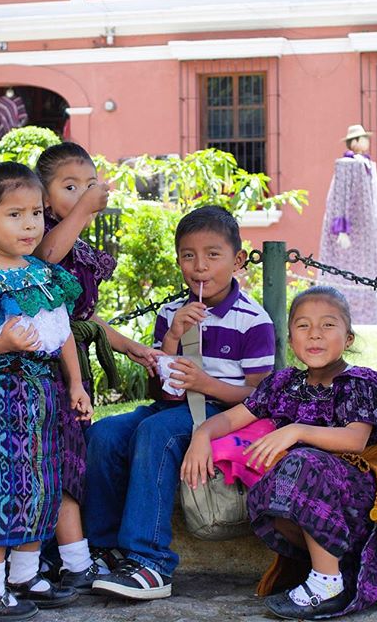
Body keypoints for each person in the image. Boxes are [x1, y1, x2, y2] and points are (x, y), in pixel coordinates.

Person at [181, 286, 377, 620]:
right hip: (312, 490)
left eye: (328, 325)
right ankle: (332, 569)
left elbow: (355, 440)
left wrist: (296, 430)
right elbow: (232, 417)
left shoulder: (359, 383)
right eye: (303, 326)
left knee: (301, 461)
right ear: (290, 340)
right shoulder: (283, 384)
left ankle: (327, 584)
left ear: (348, 338)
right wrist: (202, 434)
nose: (315, 334)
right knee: (272, 487)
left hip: (359, 501)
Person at [85, 205, 276, 600]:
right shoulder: (171, 313)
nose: (200, 266)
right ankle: (103, 548)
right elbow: (161, 393)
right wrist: (171, 339)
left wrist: (207, 383)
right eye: (188, 255)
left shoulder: (252, 320)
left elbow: (262, 397)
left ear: (238, 260)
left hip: (225, 414)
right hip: (174, 408)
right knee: (104, 433)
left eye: (213, 254)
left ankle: (151, 561)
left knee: (156, 433)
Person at [0, 162, 90, 621]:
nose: (29, 225)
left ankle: (24, 576)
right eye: (14, 215)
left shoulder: (41, 272)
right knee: (1, 487)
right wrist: (1, 343)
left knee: (40, 485)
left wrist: (76, 383)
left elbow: (63, 331)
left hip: (43, 395)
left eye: (35, 214)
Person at [33, 142, 161, 591]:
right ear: (45, 199)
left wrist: (131, 348)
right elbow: (44, 259)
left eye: (89, 184)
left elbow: (85, 320)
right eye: (69, 187)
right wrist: (83, 209)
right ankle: (57, 557)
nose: (83, 193)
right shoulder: (41, 233)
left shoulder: (81, 248)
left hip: (75, 373)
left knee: (75, 458)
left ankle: (72, 552)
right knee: (50, 460)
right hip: (40, 371)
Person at [318, 124, 377, 324]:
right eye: (364, 138)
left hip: (366, 230)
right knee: (345, 269)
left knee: (367, 269)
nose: (368, 142)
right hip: (351, 229)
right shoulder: (346, 164)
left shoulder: (366, 164)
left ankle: (369, 313)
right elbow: (340, 197)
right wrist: (341, 228)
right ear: (356, 141)